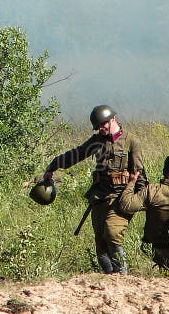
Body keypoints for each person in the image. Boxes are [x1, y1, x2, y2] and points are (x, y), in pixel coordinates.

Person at [41, 104, 147, 274]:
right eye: (98, 127)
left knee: (112, 232)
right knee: (101, 242)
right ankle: (109, 276)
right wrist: (53, 166)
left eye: (103, 125)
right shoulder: (97, 141)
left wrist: (141, 199)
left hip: (121, 197)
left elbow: (140, 173)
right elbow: (76, 154)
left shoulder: (131, 141)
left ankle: (122, 275)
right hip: (100, 196)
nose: (101, 129)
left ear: (113, 119)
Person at [118, 154, 169, 280]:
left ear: (164, 171)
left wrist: (131, 183)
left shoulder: (152, 191)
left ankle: (168, 276)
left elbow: (126, 206)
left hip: (156, 251)